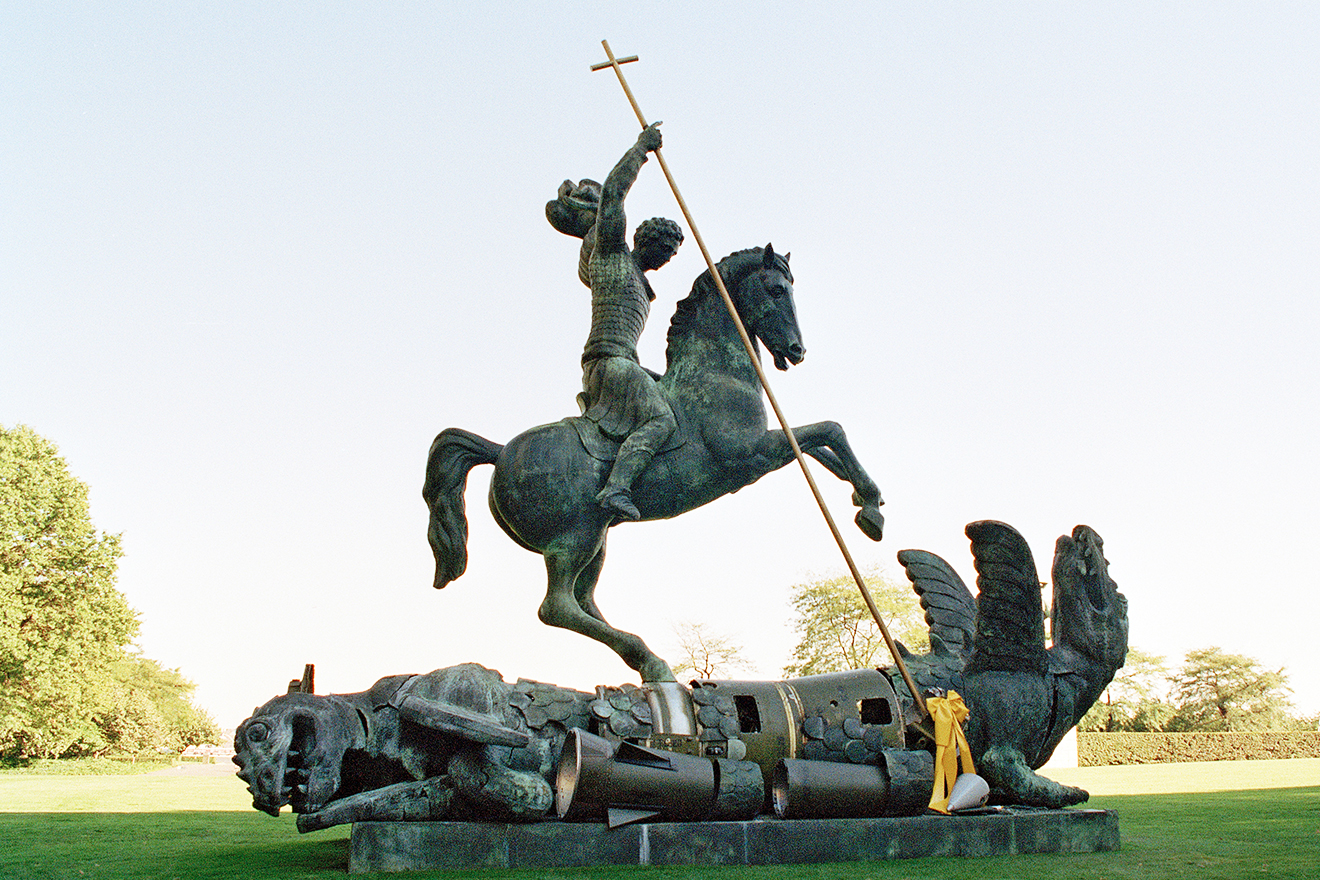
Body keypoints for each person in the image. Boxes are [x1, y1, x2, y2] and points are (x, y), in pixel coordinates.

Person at [560, 123, 684, 521]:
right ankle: (616, 488)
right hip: (607, 363)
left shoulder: (642, 287)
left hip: (621, 363)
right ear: (642, 238)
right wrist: (640, 149)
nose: (665, 256)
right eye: (662, 246)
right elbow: (613, 194)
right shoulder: (612, 255)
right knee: (661, 418)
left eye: (671, 253)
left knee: (672, 400)